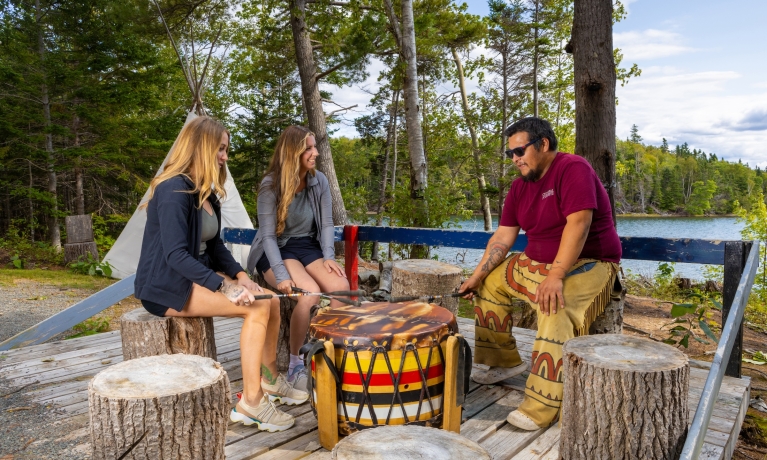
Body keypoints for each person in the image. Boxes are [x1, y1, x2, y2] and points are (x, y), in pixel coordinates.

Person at [134, 116, 308, 433]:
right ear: (201, 147)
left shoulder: (206, 193)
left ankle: (269, 380)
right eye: (220, 149)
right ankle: (251, 402)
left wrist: (241, 276)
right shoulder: (173, 190)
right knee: (256, 308)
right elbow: (175, 255)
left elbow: (216, 247)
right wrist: (223, 287)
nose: (225, 157)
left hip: (197, 276)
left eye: (226, 150)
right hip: (166, 285)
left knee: (269, 299)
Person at [459, 117, 622, 431]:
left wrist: (555, 275)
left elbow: (579, 224)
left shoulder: (572, 168)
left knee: (554, 307)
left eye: (519, 151)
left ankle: (541, 407)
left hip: (589, 262)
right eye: (510, 153)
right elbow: (503, 237)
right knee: (489, 283)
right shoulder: (519, 187)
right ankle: (503, 362)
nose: (514, 159)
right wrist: (477, 276)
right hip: (535, 262)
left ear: (543, 144)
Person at [247, 125, 349, 391]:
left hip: (308, 246)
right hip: (276, 248)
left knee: (341, 287)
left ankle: (334, 354)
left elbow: (327, 224)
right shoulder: (270, 185)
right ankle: (295, 365)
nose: (316, 153)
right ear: (293, 152)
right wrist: (281, 275)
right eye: (309, 148)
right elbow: (267, 236)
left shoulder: (319, 181)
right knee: (309, 294)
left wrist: (328, 256)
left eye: (315, 147)